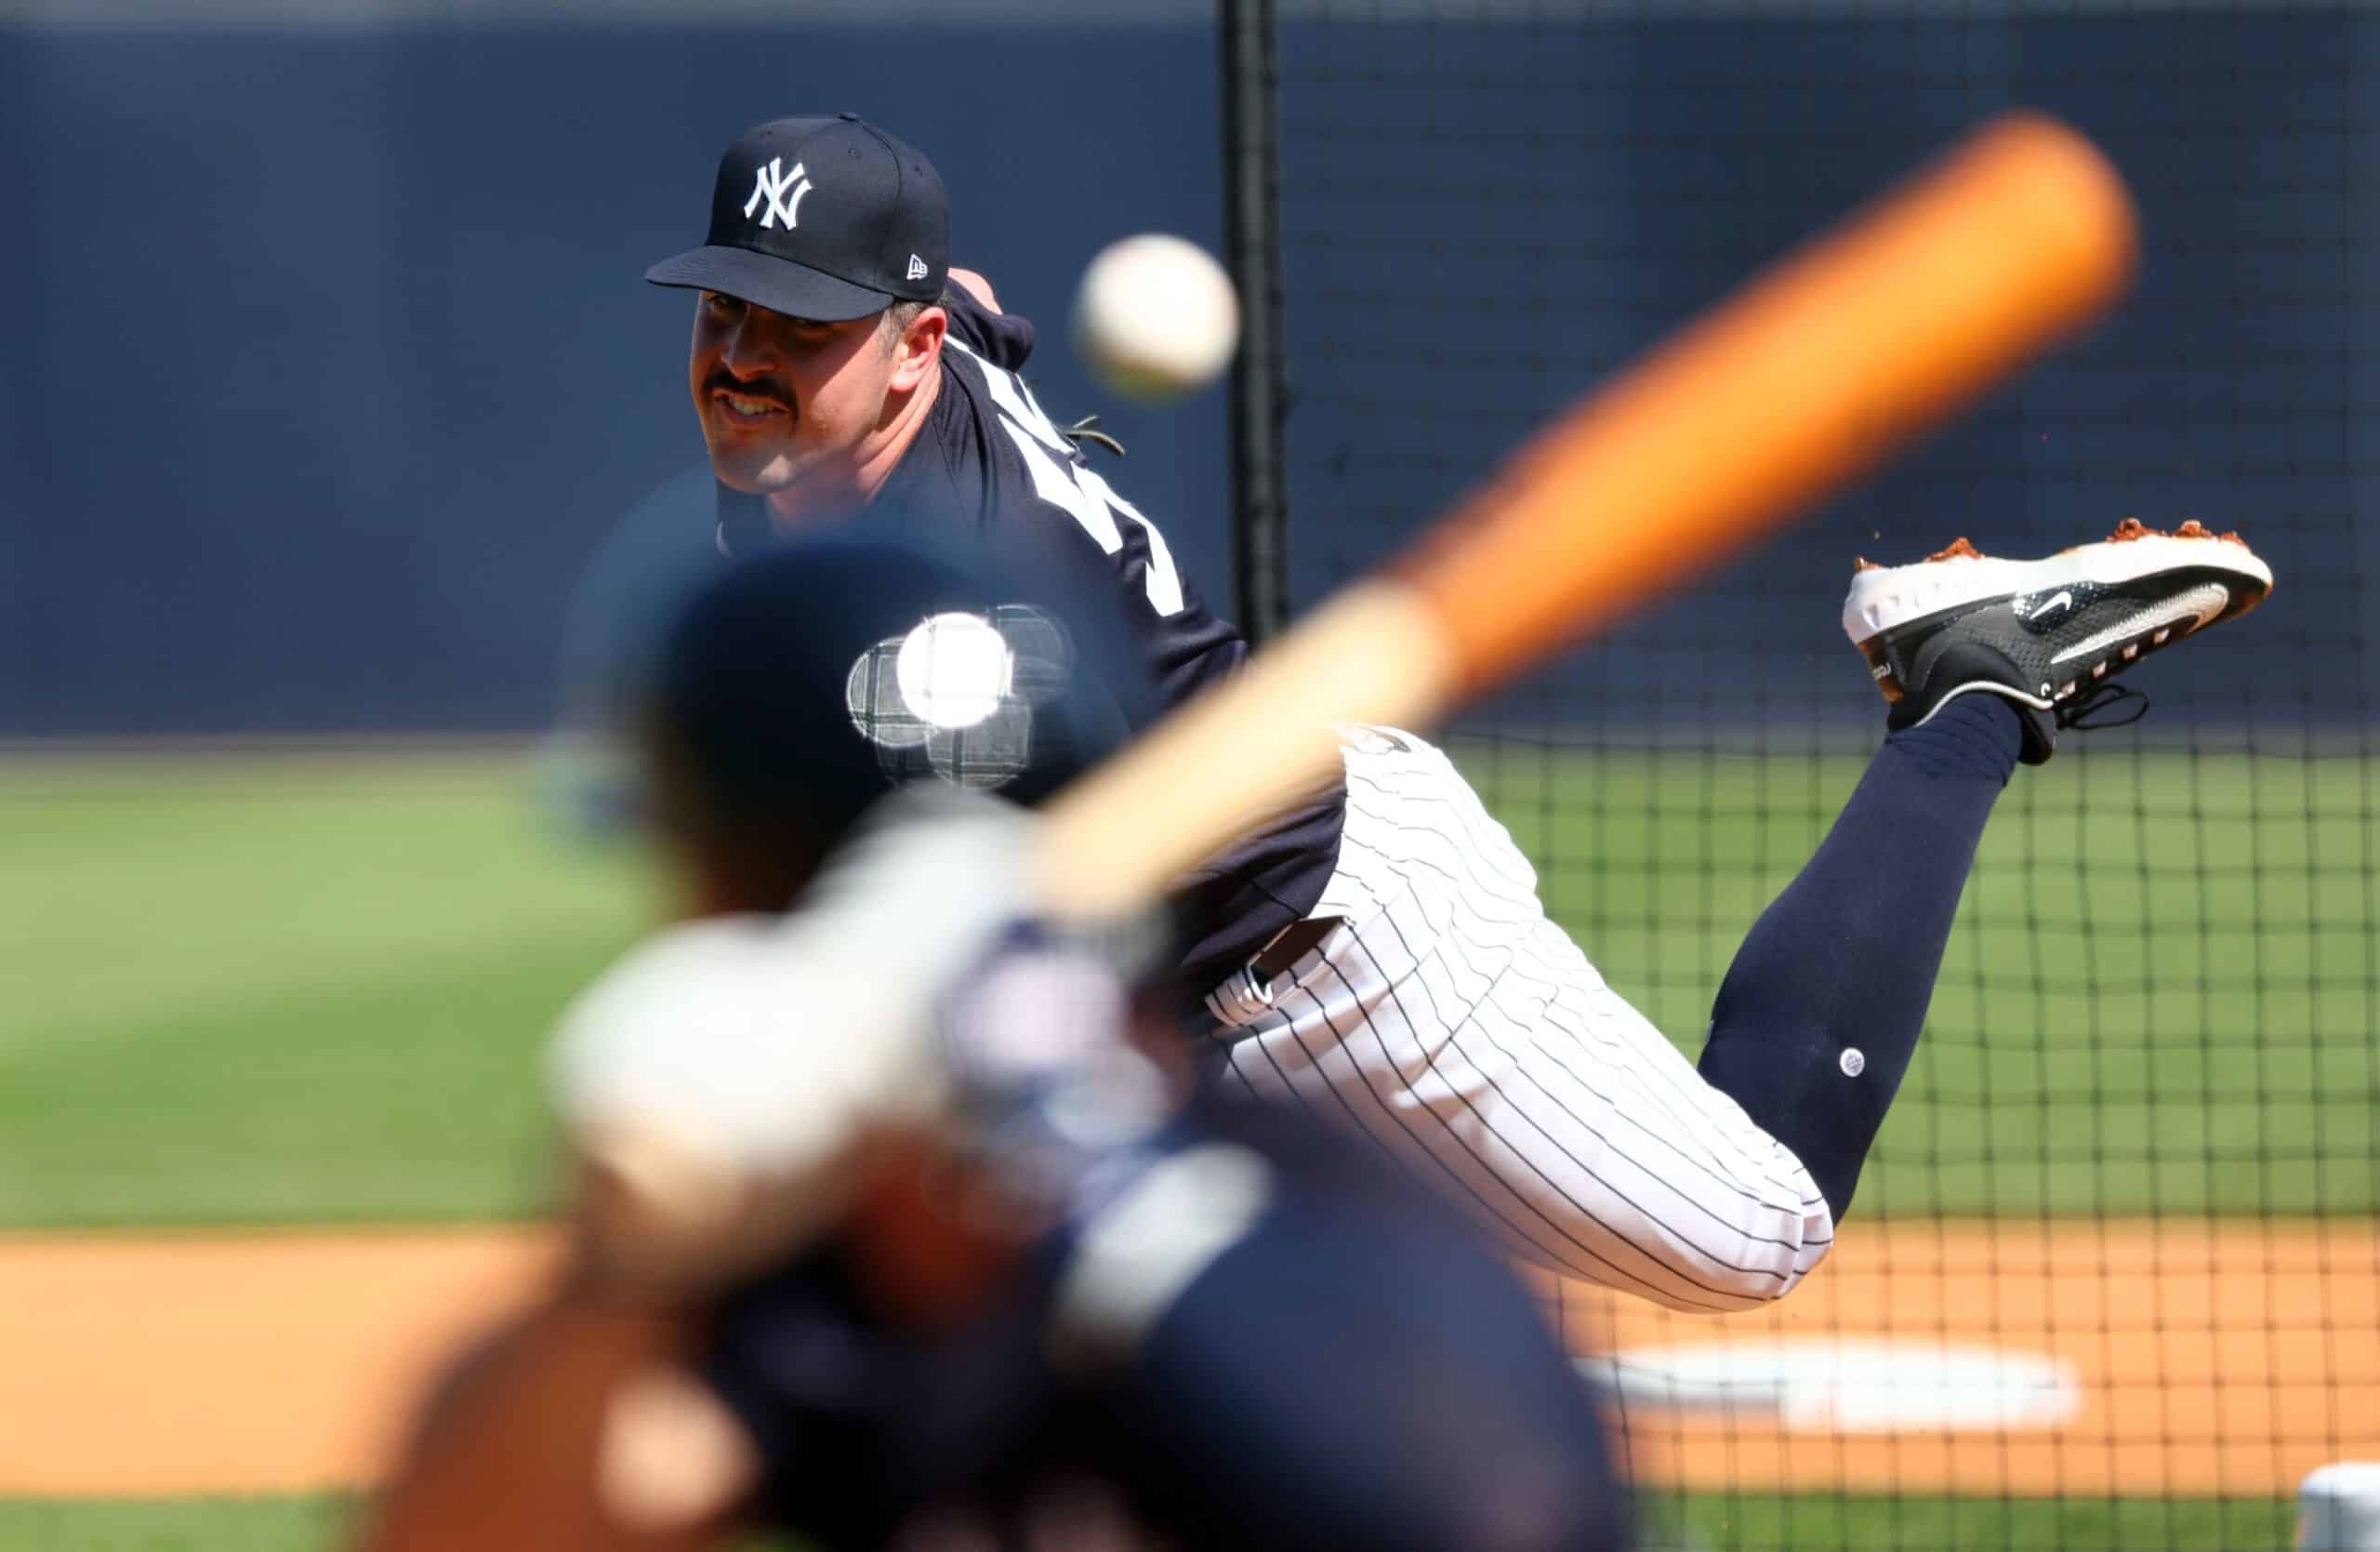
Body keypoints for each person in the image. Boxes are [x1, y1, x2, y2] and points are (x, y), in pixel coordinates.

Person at [631, 113, 2276, 1311]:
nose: (746, 361)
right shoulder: (875, 421)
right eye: (729, 312)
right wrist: (974, 325)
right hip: (1193, 1002)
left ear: (907, 351)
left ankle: (1967, 686)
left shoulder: (973, 608)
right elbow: (980, 300)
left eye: (802, 329)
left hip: (1342, 960)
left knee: (1758, 1231)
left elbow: (1001, 904)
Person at [360, 527, 1631, 1552]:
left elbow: (1501, 1514)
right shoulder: (819, 1291)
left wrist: (1075, 1163)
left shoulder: (1297, 1204)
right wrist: (616, 1274)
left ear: (736, 888)